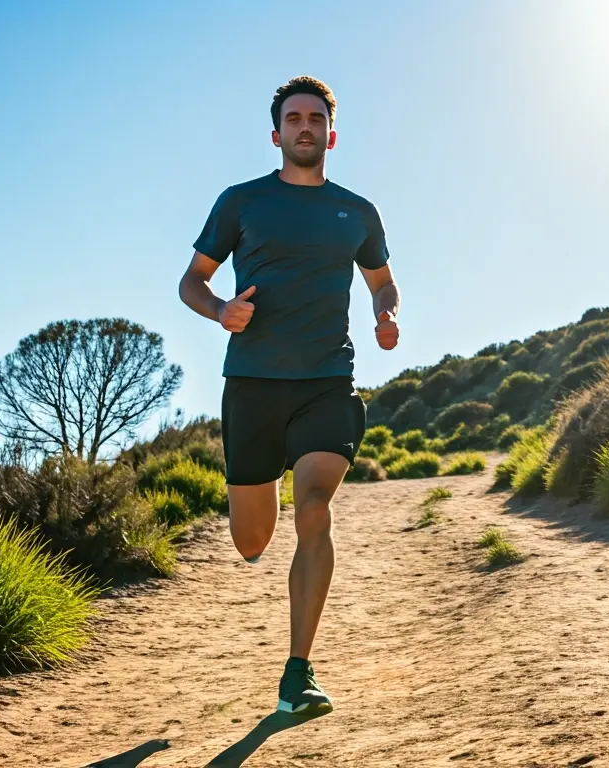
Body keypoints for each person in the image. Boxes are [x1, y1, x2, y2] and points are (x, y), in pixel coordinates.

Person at [177, 75, 400, 716]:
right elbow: (192, 281)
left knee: (314, 510)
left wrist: (386, 313)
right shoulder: (241, 202)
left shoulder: (357, 212)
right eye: (292, 118)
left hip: (328, 381)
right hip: (252, 384)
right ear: (276, 133)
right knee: (251, 540)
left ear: (331, 133)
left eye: (314, 118)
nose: (304, 127)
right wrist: (220, 310)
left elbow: (384, 281)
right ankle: (265, 483)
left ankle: (297, 674)